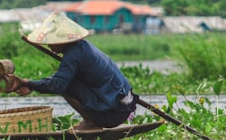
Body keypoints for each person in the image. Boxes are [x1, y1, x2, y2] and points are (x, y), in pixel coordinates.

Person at [8, 12, 137, 131]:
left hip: (114, 113)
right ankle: (89, 120)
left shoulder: (74, 53)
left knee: (65, 85)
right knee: (66, 80)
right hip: (120, 108)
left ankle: (92, 123)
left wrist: (27, 83)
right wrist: (33, 85)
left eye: (52, 40)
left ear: (62, 39)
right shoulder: (81, 47)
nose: (49, 45)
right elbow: (58, 78)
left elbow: (58, 85)